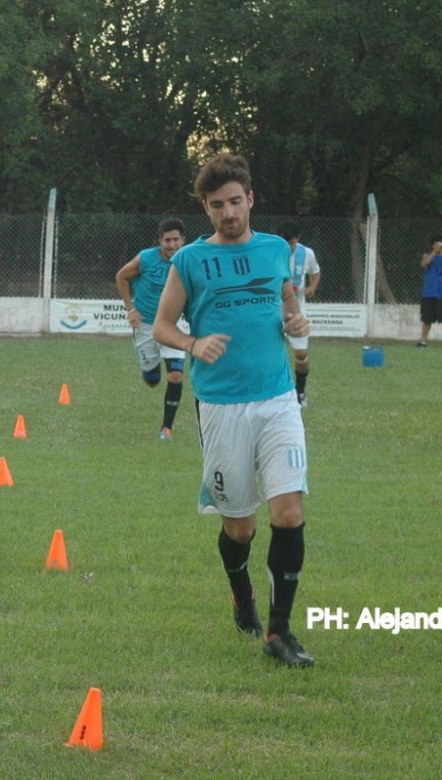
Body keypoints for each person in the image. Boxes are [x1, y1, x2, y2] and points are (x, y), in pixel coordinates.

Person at [153, 153, 314, 667]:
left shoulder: (273, 251)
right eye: (218, 204)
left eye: (236, 202)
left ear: (251, 199)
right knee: (239, 527)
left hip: (277, 399)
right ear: (206, 207)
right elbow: (163, 327)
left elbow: (287, 300)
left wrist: (295, 322)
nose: (228, 212)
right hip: (221, 407)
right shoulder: (190, 261)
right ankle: (240, 590)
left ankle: (279, 632)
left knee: (288, 511)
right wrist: (193, 343)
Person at [115, 217, 187, 440]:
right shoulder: (146, 258)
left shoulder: (188, 260)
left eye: (176, 239)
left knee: (175, 374)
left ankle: (167, 428)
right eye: (167, 240)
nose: (172, 245)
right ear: (160, 241)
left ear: (183, 240)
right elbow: (121, 276)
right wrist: (130, 309)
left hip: (174, 324)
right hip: (146, 325)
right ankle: (150, 370)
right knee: (152, 379)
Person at [277, 221, 321, 408]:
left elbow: (316, 272)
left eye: (292, 243)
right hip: (272, 310)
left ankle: (300, 391)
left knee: (301, 354)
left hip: (296, 310)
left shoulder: (307, 253)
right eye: (286, 243)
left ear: (298, 240)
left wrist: (312, 286)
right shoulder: (271, 251)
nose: (290, 247)